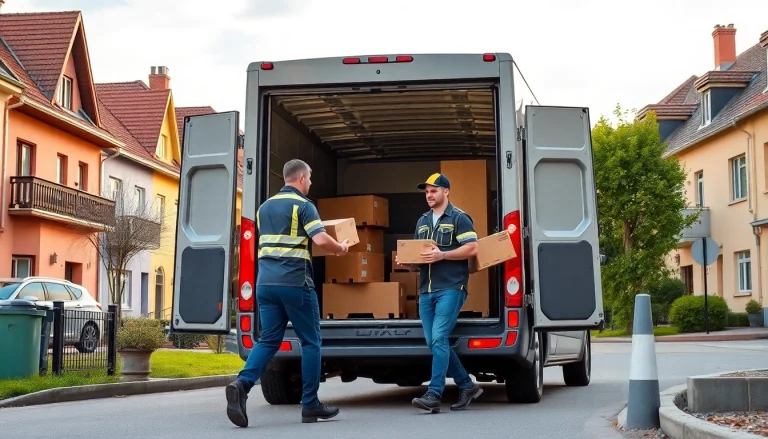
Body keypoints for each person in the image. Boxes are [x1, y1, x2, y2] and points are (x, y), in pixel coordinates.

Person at [225, 159, 350, 428]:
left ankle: (242, 384)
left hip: (265, 285)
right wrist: (340, 248)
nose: (311, 183)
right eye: (310, 178)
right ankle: (310, 404)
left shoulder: (264, 207)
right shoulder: (304, 206)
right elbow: (320, 239)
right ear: (302, 178)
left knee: (269, 340)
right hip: (295, 283)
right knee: (311, 342)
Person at [398, 172, 483, 413]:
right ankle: (467, 385)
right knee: (434, 341)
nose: (429, 195)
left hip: (451, 287)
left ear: (446, 192)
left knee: (438, 338)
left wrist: (443, 255)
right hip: (426, 290)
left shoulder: (459, 218)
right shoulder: (422, 221)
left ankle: (434, 394)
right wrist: (408, 263)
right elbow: (418, 260)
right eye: (426, 192)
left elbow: (472, 247)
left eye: (433, 191)